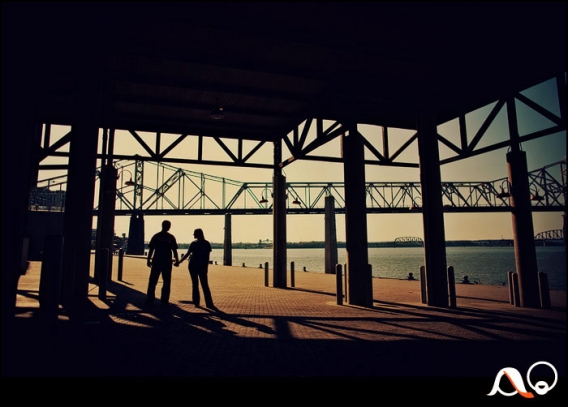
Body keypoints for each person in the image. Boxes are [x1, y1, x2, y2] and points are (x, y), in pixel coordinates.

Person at [176, 228, 214, 308]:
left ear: (198, 234)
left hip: (194, 265)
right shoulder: (205, 243)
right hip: (198, 266)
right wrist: (179, 261)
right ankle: (208, 303)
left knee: (197, 284)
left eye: (194, 233)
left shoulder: (195, 244)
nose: (193, 235)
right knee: (203, 284)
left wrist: (179, 262)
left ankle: (197, 302)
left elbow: (188, 254)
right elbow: (206, 257)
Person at [146, 220, 179, 308]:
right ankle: (164, 300)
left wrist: (148, 260)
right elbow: (174, 250)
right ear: (168, 226)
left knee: (153, 281)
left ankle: (150, 298)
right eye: (169, 225)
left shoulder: (156, 236)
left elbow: (151, 249)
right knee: (166, 282)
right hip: (166, 262)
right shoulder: (171, 237)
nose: (169, 227)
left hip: (157, 261)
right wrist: (177, 260)